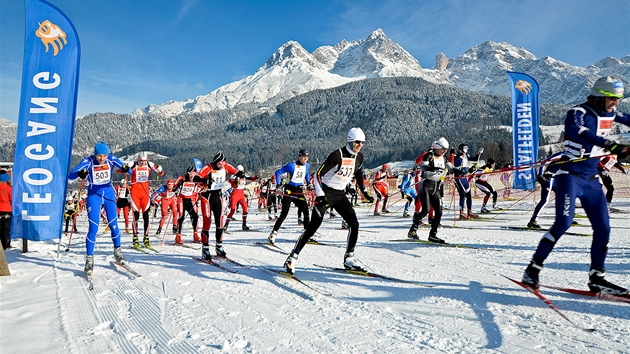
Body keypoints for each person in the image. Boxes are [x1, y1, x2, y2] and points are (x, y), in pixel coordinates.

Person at [522, 76, 630, 295]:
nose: (615, 103)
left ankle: (597, 278)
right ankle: (533, 269)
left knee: (604, 228)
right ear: (599, 96)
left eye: (618, 99)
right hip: (570, 177)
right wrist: (611, 144)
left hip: (591, 180)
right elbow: (578, 131)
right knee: (563, 223)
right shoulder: (578, 112)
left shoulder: (611, 113)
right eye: (612, 98)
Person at [283, 128, 374, 274]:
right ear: (350, 141)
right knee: (312, 228)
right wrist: (320, 196)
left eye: (362, 143)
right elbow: (318, 175)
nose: (360, 145)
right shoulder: (336, 155)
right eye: (357, 142)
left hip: (340, 195)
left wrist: (364, 192)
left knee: (354, 223)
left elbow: (358, 174)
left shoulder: (359, 157)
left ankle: (349, 258)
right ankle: (292, 257)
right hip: (326, 193)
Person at [68, 142, 130, 274]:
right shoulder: (88, 161)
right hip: (94, 196)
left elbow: (127, 170)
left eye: (104, 155)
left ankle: (118, 252)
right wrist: (81, 173)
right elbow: (71, 175)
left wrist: (124, 169)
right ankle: (89, 259)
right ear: (95, 154)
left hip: (108, 194)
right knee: (94, 227)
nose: (102, 159)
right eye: (99, 156)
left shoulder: (111, 159)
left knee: (113, 224)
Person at [193, 151, 239, 259]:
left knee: (220, 223)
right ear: (215, 162)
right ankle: (205, 249)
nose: (221, 166)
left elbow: (237, 172)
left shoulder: (226, 166)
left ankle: (219, 247)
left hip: (218, 196)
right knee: (207, 223)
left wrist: (243, 176)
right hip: (207, 197)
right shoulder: (208, 167)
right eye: (219, 164)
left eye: (222, 163)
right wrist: (205, 180)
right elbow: (195, 178)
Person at [407, 138, 453, 244]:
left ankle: (433, 235)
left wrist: (464, 170)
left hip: (436, 186)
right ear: (437, 148)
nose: (445, 151)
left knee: (439, 212)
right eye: (443, 149)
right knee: (426, 210)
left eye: (446, 149)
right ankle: (413, 229)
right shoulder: (429, 155)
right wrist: (434, 169)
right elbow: (423, 166)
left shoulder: (444, 158)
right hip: (425, 185)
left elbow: (451, 168)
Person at [268, 149, 312, 244]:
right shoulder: (291, 165)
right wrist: (278, 184)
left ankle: (306, 235)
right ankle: (273, 233)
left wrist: (309, 183)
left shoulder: (307, 166)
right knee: (284, 213)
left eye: (307, 157)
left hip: (299, 191)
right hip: (289, 190)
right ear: (299, 156)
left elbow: (307, 173)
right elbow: (278, 172)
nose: (305, 159)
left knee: (306, 211)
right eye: (304, 156)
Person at [126, 152, 164, 247]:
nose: (143, 163)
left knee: (146, 217)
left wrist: (160, 170)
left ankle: (146, 237)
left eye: (144, 161)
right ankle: (135, 237)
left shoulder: (149, 164)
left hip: (145, 194)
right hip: (135, 193)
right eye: (141, 161)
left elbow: (161, 173)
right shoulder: (133, 164)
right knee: (136, 217)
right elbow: (119, 170)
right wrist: (124, 168)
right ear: (138, 160)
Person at [527, 152, 563, 229]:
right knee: (545, 200)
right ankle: (533, 221)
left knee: (563, 196)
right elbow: (544, 161)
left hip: (555, 179)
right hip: (548, 178)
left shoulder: (573, 156)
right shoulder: (562, 154)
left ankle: (564, 218)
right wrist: (540, 174)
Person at [452, 144, 483, 219]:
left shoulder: (466, 156)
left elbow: (474, 159)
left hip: (464, 178)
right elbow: (458, 168)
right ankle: (461, 212)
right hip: (458, 178)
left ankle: (469, 211)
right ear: (461, 150)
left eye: (466, 149)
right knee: (463, 195)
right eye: (465, 149)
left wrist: (479, 154)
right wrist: (468, 170)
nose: (466, 151)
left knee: (469, 195)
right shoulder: (457, 157)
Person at [225, 165, 257, 231]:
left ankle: (244, 225)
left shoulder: (244, 175)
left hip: (241, 195)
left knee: (245, 209)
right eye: (241, 171)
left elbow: (251, 178)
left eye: (242, 171)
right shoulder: (234, 175)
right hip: (235, 195)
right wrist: (236, 181)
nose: (242, 173)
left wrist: (256, 177)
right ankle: (226, 225)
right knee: (232, 210)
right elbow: (231, 181)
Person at [173, 166, 200, 244]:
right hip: (181, 199)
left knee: (195, 216)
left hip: (190, 199)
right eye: (190, 174)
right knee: (181, 216)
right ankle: (178, 235)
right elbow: (173, 188)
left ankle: (195, 234)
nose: (191, 176)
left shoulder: (196, 179)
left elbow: (201, 186)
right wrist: (179, 185)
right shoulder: (182, 178)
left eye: (193, 174)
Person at [0, 170, 12, 250]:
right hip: (7, 210)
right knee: (6, 229)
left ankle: (1, 245)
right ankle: (6, 244)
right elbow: (12, 199)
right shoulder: (9, 188)